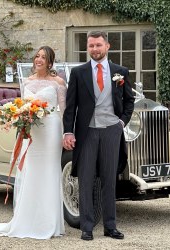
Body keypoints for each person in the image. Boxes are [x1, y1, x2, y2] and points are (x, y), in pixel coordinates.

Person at [0, 46, 67, 239]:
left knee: (49, 171)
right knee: (31, 171)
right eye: (37, 56)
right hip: (32, 132)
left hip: (51, 130)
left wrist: (65, 133)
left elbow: (64, 109)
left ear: (50, 62)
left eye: (43, 57)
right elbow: (22, 106)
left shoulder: (58, 82)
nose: (39, 60)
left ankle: (50, 223)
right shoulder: (27, 81)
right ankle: (29, 220)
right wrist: (21, 118)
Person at [62, 31, 134, 241]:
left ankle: (110, 227)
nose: (94, 49)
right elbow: (71, 106)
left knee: (109, 180)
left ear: (107, 46)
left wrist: (122, 122)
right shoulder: (78, 73)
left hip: (112, 130)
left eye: (98, 45)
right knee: (85, 179)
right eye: (91, 45)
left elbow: (129, 101)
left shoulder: (120, 72)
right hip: (87, 132)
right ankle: (86, 227)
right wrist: (68, 131)